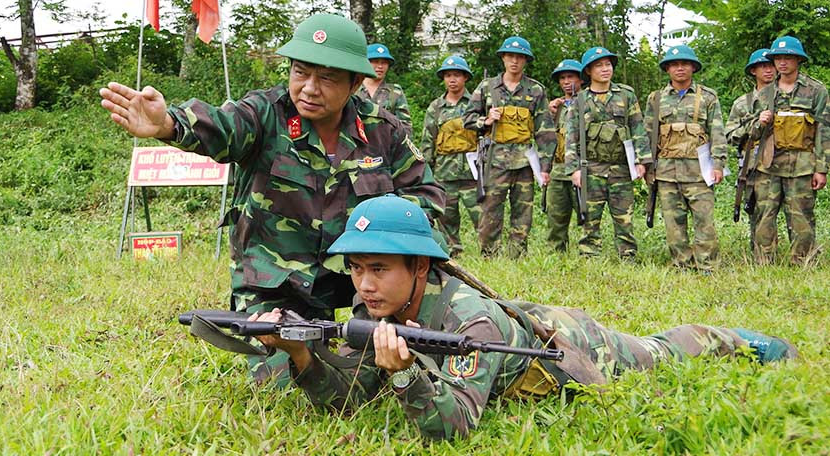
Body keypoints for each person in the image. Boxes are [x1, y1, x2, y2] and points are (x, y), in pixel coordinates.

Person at [250, 195, 797, 440]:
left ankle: (748, 340)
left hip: (565, 341)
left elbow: (456, 426)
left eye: (379, 269)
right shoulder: (378, 309)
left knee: (659, 350)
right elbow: (349, 398)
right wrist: (299, 354)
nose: (364, 285)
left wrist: (408, 375)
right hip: (521, 325)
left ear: (421, 268)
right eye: (357, 269)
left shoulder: (471, 324)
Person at [99, 13, 444, 383]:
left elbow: (428, 197)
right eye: (301, 72)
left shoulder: (383, 130)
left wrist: (381, 233)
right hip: (278, 285)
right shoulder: (265, 114)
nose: (309, 88)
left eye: (326, 77)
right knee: (290, 386)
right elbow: (222, 127)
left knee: (375, 374)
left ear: (356, 82)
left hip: (358, 278)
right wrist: (169, 124)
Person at [462, 36, 555, 257]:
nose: (515, 61)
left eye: (520, 57)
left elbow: (545, 131)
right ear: (503, 58)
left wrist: (544, 167)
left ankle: (517, 255)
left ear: (526, 61)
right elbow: (466, 119)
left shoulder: (535, 90)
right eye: (511, 56)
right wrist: (485, 120)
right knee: (491, 210)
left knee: (523, 211)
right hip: (495, 160)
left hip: (524, 160)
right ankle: (489, 254)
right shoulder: (487, 87)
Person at [644, 45, 727, 272]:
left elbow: (717, 132)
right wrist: (647, 167)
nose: (680, 68)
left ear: (693, 67)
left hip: (699, 172)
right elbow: (648, 135)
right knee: (673, 223)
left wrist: (718, 164)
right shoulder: (656, 99)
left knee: (705, 221)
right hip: (667, 172)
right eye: (674, 64)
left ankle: (707, 265)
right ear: (668, 69)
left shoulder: (708, 97)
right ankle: (682, 263)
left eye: (685, 64)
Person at [748, 36, 829, 265]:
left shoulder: (816, 91)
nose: (782, 63)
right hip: (769, 164)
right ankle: (764, 262)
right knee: (765, 214)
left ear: (798, 60)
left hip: (802, 164)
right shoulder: (764, 94)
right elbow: (750, 133)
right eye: (778, 58)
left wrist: (821, 169)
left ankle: (802, 261)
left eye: (788, 58)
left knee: (801, 215)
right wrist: (759, 123)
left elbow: (824, 131)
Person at [564, 47, 651, 259]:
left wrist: (642, 160)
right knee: (590, 218)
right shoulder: (579, 100)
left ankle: (628, 255)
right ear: (588, 71)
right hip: (591, 167)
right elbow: (571, 136)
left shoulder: (626, 95)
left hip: (620, 167)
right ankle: (589, 255)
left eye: (608, 64)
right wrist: (573, 169)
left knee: (624, 217)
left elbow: (638, 127)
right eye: (599, 65)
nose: (605, 69)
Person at [419, 55, 481, 256]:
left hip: (473, 171)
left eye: (456, 75)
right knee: (447, 215)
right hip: (445, 171)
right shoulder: (435, 107)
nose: (452, 80)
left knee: (481, 213)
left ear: (465, 78)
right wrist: (425, 171)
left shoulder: (476, 103)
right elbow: (428, 140)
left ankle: (488, 249)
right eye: (448, 75)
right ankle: (453, 250)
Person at [725, 49, 778, 251]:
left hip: (784, 162)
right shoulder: (742, 103)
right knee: (758, 212)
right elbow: (730, 134)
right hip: (754, 164)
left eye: (770, 65)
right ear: (753, 70)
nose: (768, 70)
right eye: (762, 66)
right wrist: (755, 125)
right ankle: (761, 257)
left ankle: (800, 258)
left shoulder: (786, 96)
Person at [546, 58, 583, 251]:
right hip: (558, 170)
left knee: (586, 216)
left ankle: (588, 254)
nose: (567, 81)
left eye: (571, 77)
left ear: (581, 79)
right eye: (563, 78)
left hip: (580, 169)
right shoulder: (556, 106)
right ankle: (556, 254)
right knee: (556, 218)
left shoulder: (588, 102)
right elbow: (545, 138)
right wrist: (550, 114)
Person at [356, 43, 413, 135]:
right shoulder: (353, 89)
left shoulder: (395, 92)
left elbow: (405, 125)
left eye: (384, 62)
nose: (380, 66)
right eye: (375, 61)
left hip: (386, 146)